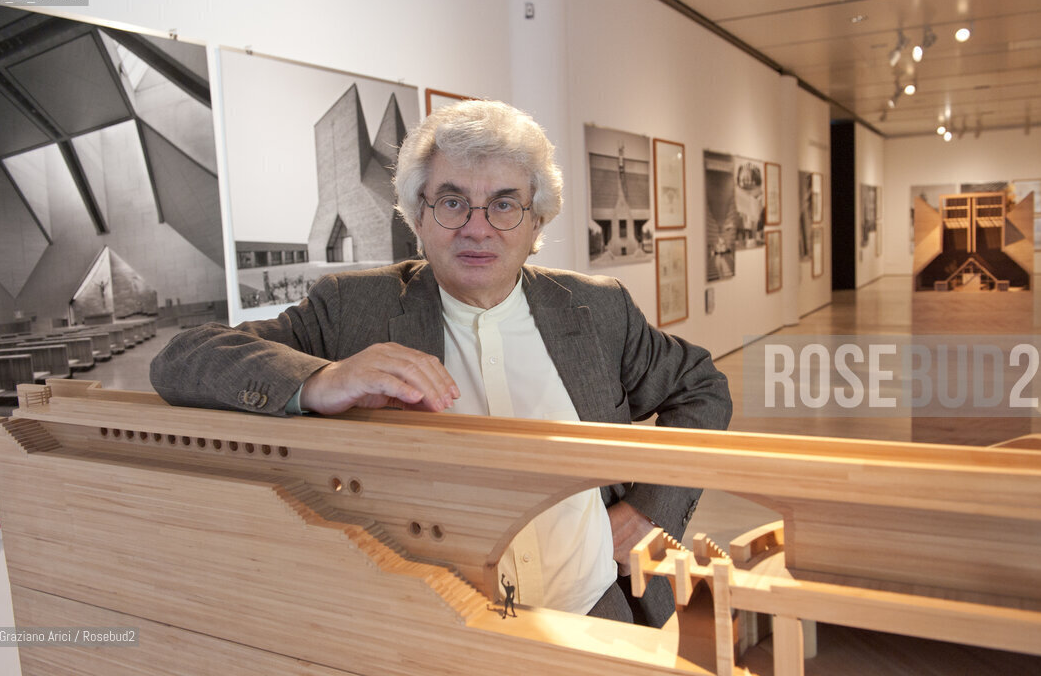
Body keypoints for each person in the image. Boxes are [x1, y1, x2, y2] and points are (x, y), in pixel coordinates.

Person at [150, 99, 732, 626]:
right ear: (417, 217)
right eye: (452, 201)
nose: (477, 228)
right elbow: (183, 358)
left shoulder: (597, 311)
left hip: (595, 608)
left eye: (504, 204)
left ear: (537, 223)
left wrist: (646, 511)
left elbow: (702, 388)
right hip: (431, 626)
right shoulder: (352, 311)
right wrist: (322, 380)